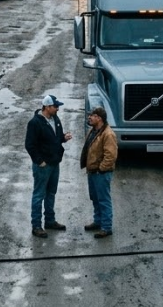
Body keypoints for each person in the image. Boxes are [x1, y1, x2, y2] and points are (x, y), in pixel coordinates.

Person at [24, 94, 72, 238]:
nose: (58, 109)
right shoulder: (35, 123)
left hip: (54, 163)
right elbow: (30, 145)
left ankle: (50, 221)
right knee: (39, 195)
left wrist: (63, 138)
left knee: (51, 193)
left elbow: (56, 138)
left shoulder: (55, 119)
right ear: (47, 107)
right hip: (43, 166)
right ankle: (36, 225)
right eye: (55, 106)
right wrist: (39, 161)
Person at [81, 107, 118, 238]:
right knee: (95, 198)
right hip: (92, 172)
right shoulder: (94, 130)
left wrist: (101, 169)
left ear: (100, 118)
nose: (89, 117)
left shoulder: (108, 134)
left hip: (101, 173)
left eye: (93, 115)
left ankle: (106, 227)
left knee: (103, 200)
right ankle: (98, 222)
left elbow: (111, 155)